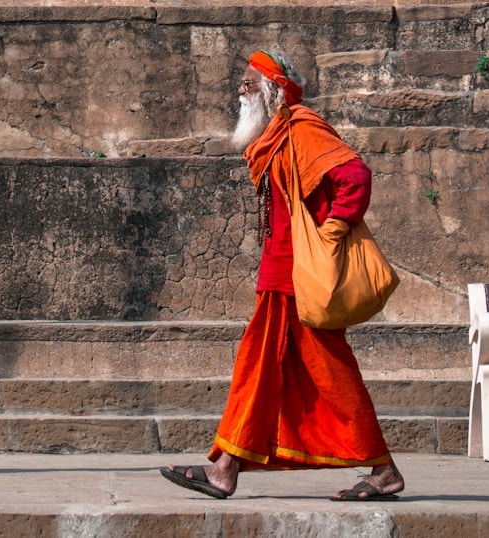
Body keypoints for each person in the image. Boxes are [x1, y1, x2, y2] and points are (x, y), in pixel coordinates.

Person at [160, 50, 405, 501]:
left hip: (302, 275)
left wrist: (334, 227)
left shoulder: (302, 127)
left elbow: (355, 175)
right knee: (259, 368)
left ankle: (381, 470)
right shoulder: (276, 134)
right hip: (281, 272)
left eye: (248, 83)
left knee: (329, 371)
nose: (240, 89)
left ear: (272, 90)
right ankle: (226, 467)